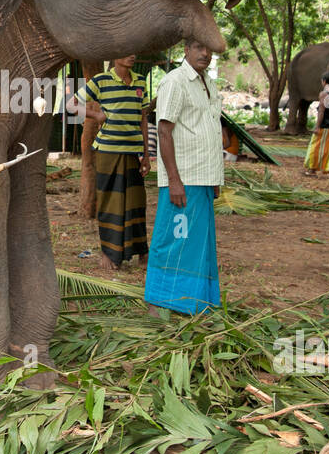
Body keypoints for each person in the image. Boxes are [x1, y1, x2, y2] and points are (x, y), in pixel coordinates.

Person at [144, 39, 224, 318]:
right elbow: (164, 131)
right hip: (183, 180)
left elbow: (210, 127)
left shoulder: (207, 83)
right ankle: (159, 300)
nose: (205, 52)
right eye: (198, 47)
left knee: (197, 242)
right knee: (175, 237)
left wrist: (214, 177)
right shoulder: (174, 81)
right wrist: (174, 181)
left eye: (209, 48)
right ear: (186, 50)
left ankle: (191, 301)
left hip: (203, 177)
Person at [70, 54, 152, 270]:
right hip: (107, 151)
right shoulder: (100, 81)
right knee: (110, 203)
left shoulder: (140, 82)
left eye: (135, 51)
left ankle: (142, 253)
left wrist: (146, 153)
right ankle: (110, 254)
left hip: (133, 152)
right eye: (126, 51)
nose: (133, 55)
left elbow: (143, 118)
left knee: (136, 203)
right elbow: (71, 105)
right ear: (115, 56)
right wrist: (94, 116)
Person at [302, 71, 329, 180]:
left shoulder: (324, 94)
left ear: (324, 81)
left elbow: (321, 111)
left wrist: (317, 126)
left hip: (324, 125)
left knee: (315, 146)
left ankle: (312, 170)